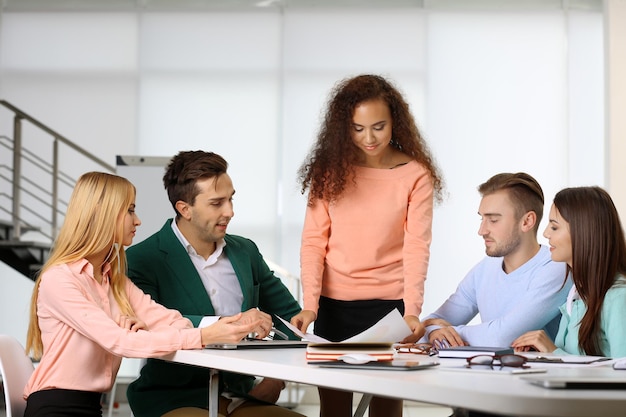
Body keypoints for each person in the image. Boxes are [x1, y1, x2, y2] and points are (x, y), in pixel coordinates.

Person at [23, 172, 261, 417]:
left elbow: (175, 321)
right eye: (129, 211)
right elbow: (120, 341)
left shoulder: (113, 281)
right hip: (54, 407)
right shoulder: (60, 279)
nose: (137, 221)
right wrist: (202, 336)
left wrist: (146, 327)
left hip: (91, 407)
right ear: (102, 214)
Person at [290, 74, 444, 417]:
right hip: (333, 307)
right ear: (344, 127)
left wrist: (413, 311)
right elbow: (314, 242)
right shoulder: (329, 172)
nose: (369, 138)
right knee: (334, 410)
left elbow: (417, 246)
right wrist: (310, 306)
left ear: (396, 123)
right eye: (358, 128)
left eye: (379, 126)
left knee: (387, 410)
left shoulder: (415, 175)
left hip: (390, 308)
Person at [125, 150, 304, 417]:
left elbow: (291, 319)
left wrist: (275, 380)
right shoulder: (142, 259)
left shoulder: (246, 251)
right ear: (184, 209)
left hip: (241, 395)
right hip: (173, 397)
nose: (229, 212)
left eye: (231, 199)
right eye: (216, 203)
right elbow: (151, 326)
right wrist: (229, 324)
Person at [422, 173, 571, 349]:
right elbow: (426, 325)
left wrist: (450, 332)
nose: (481, 230)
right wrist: (433, 331)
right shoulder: (485, 268)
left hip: (541, 375)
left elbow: (502, 337)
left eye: (493, 220)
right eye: (481, 218)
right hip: (493, 374)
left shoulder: (556, 269)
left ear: (527, 221)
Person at [512, 186, 626, 357]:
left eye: (554, 227)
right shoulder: (576, 296)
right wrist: (543, 353)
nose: (545, 233)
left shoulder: (618, 298)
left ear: (584, 232)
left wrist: (554, 352)